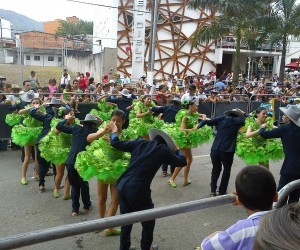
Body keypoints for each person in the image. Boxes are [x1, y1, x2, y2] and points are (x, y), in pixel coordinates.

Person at [108, 127, 187, 250]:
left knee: (125, 220)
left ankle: (124, 248)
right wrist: (177, 150)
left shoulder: (139, 142)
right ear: (166, 143)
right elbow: (183, 162)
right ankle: (146, 247)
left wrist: (113, 131)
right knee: (148, 220)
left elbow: (115, 143)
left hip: (122, 185)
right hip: (138, 189)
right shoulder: (163, 150)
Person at [201, 165, 278, 250]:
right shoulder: (287, 219)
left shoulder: (241, 230)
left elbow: (207, 247)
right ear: (276, 197)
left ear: (239, 201)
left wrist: (215, 235)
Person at [56, 114, 103, 216]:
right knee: (84, 184)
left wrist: (65, 119)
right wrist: (99, 119)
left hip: (70, 160)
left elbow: (58, 126)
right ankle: (86, 206)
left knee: (75, 186)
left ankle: (75, 210)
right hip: (82, 161)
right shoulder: (94, 131)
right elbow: (103, 128)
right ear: (94, 124)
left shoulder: (76, 128)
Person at [197, 109, 247, 196]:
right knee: (226, 170)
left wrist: (197, 126)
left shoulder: (221, 118)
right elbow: (252, 120)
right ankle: (222, 191)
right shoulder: (239, 121)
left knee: (215, 169)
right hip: (227, 150)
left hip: (215, 149)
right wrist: (244, 113)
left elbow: (206, 122)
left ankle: (213, 190)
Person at [259, 105, 300, 204]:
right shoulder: (288, 129)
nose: (282, 116)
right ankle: (291, 217)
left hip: (289, 167)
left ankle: (279, 217)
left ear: (288, 118)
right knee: (295, 196)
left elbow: (264, 134)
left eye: (284, 115)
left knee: (281, 194)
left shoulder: (284, 129)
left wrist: (262, 127)